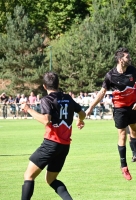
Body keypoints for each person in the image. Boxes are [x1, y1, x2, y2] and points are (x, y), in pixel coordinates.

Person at [20, 72, 86, 200]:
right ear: (58, 84)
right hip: (64, 146)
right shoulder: (68, 97)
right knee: (51, 179)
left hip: (51, 143)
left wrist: (28, 109)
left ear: (44, 86)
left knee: (28, 175)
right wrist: (80, 120)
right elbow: (82, 112)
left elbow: (46, 120)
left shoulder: (47, 99)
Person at [85, 47, 136, 181]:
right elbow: (102, 92)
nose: (129, 59)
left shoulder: (132, 71)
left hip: (132, 107)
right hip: (119, 109)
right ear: (120, 60)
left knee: (135, 131)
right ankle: (124, 166)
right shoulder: (110, 75)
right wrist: (91, 107)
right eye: (127, 57)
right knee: (123, 135)